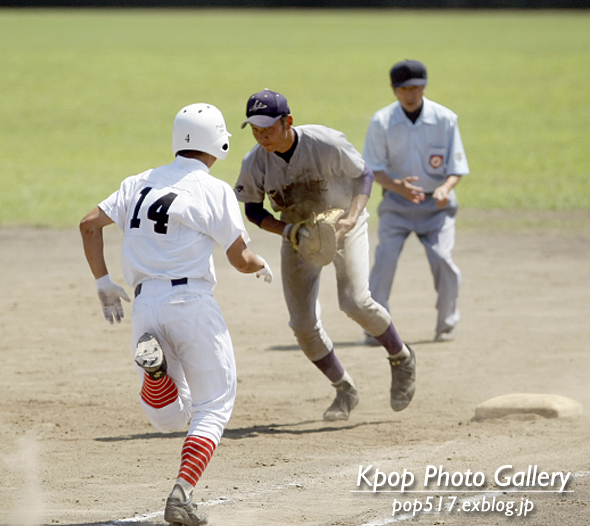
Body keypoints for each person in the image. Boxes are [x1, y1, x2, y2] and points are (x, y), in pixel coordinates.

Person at [80, 103, 273, 526]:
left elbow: (88, 225)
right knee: (214, 405)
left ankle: (156, 375)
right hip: (191, 304)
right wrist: (260, 264)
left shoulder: (138, 182)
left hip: (144, 305)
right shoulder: (214, 189)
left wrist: (103, 282)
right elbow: (240, 259)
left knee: (167, 417)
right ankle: (182, 493)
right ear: (218, 142)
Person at [233, 88, 416, 423]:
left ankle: (401, 356)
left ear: (287, 121)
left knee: (354, 301)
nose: (261, 136)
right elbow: (253, 210)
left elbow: (364, 175)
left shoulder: (326, 142)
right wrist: (287, 232)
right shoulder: (255, 162)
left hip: (344, 222)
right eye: (255, 130)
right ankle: (343, 387)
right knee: (302, 325)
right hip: (298, 234)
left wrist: (352, 215)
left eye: (268, 128)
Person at [362, 60, 469, 344]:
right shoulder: (381, 121)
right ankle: (375, 327)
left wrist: (445, 189)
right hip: (396, 205)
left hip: (437, 207)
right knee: (384, 260)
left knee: (443, 259)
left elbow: (456, 167)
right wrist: (398, 186)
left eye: (417, 88)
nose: (411, 95)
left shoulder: (445, 119)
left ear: (424, 87)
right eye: (405, 89)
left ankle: (446, 325)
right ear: (394, 90)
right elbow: (373, 168)